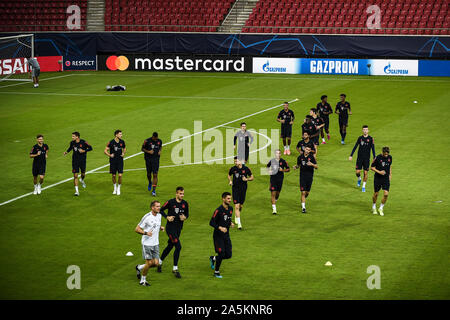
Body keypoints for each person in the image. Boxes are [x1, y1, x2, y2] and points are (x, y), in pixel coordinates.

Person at [158, 186, 189, 278]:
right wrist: (167, 217)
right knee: (178, 247)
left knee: (170, 246)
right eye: (180, 193)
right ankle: (175, 268)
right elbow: (160, 210)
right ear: (176, 193)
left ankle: (159, 262)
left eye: (183, 193)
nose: (182, 195)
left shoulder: (185, 203)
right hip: (170, 228)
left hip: (178, 229)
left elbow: (187, 214)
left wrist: (185, 217)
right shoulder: (170, 202)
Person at [135, 201, 165, 286]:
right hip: (147, 244)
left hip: (156, 243)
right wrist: (146, 233)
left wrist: (160, 228)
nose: (159, 208)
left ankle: (139, 267)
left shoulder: (159, 215)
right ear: (152, 208)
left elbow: (156, 225)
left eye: (159, 206)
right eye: (157, 206)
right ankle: (143, 280)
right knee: (149, 263)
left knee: (156, 263)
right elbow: (137, 229)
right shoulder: (147, 217)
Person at [209, 192, 234, 279]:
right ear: (223, 199)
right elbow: (211, 222)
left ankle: (213, 258)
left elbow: (227, 219)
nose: (230, 200)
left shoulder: (231, 209)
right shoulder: (218, 210)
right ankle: (216, 272)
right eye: (228, 198)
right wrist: (220, 228)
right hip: (218, 236)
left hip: (226, 235)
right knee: (221, 253)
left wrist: (230, 223)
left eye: (230, 198)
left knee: (228, 255)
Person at [228, 157, 254, 230]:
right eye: (235, 161)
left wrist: (247, 179)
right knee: (236, 206)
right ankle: (239, 224)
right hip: (235, 189)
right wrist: (230, 181)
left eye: (237, 161)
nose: (235, 162)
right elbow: (229, 175)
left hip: (243, 189)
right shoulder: (233, 169)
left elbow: (252, 177)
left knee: (240, 206)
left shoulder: (246, 169)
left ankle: (237, 216)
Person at [63, 132, 93, 196]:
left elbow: (91, 148)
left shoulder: (83, 142)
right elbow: (70, 147)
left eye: (73, 136)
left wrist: (84, 151)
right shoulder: (72, 142)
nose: (72, 137)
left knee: (83, 174)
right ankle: (77, 191)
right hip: (75, 161)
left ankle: (82, 180)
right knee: (75, 176)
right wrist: (66, 152)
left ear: (77, 137)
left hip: (82, 161)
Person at [349, 125, 375, 192]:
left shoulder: (371, 139)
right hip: (359, 158)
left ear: (368, 130)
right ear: (362, 130)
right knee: (357, 172)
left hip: (367, 159)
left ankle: (363, 186)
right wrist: (351, 155)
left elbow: (373, 148)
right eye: (364, 129)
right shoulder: (360, 138)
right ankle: (359, 178)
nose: (365, 131)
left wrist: (374, 157)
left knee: (365, 173)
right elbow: (355, 146)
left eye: (366, 130)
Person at [293, 146, 318, 213]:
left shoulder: (312, 157)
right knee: (303, 192)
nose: (307, 151)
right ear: (304, 149)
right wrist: (296, 166)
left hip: (309, 177)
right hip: (302, 177)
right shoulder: (300, 157)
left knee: (307, 193)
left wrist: (312, 164)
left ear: (310, 151)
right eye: (306, 149)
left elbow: (316, 167)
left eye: (309, 150)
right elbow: (298, 165)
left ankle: (303, 199)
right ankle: (303, 208)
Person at [266, 149, 290, 215]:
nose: (278, 154)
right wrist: (269, 171)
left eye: (279, 153)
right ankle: (274, 209)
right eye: (276, 153)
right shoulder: (272, 161)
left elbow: (288, 169)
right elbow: (267, 167)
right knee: (273, 193)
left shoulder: (283, 161)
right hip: (273, 179)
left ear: (280, 154)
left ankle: (275, 199)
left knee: (277, 193)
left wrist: (283, 170)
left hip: (280, 179)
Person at [371, 147, 392, 216]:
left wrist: (390, 175)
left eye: (387, 154)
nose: (386, 155)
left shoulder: (390, 158)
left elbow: (390, 166)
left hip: (385, 178)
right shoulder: (377, 158)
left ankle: (381, 208)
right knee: (376, 194)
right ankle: (374, 206)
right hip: (378, 178)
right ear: (382, 152)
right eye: (385, 154)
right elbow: (372, 167)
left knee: (386, 194)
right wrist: (379, 172)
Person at [104, 130, 126, 195]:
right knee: (113, 175)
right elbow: (105, 151)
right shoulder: (111, 142)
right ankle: (115, 188)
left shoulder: (122, 142)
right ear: (116, 135)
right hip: (113, 161)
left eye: (121, 134)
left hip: (120, 160)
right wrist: (110, 155)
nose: (121, 135)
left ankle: (119, 188)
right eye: (120, 134)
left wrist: (123, 153)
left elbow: (124, 148)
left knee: (120, 175)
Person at [142, 132, 163, 196]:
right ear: (152, 137)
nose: (156, 139)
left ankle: (153, 191)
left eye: (157, 138)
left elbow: (160, 147)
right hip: (148, 159)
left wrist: (160, 151)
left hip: (156, 160)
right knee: (149, 174)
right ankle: (150, 182)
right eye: (155, 138)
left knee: (155, 174)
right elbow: (142, 149)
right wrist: (148, 151)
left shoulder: (159, 141)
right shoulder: (147, 141)